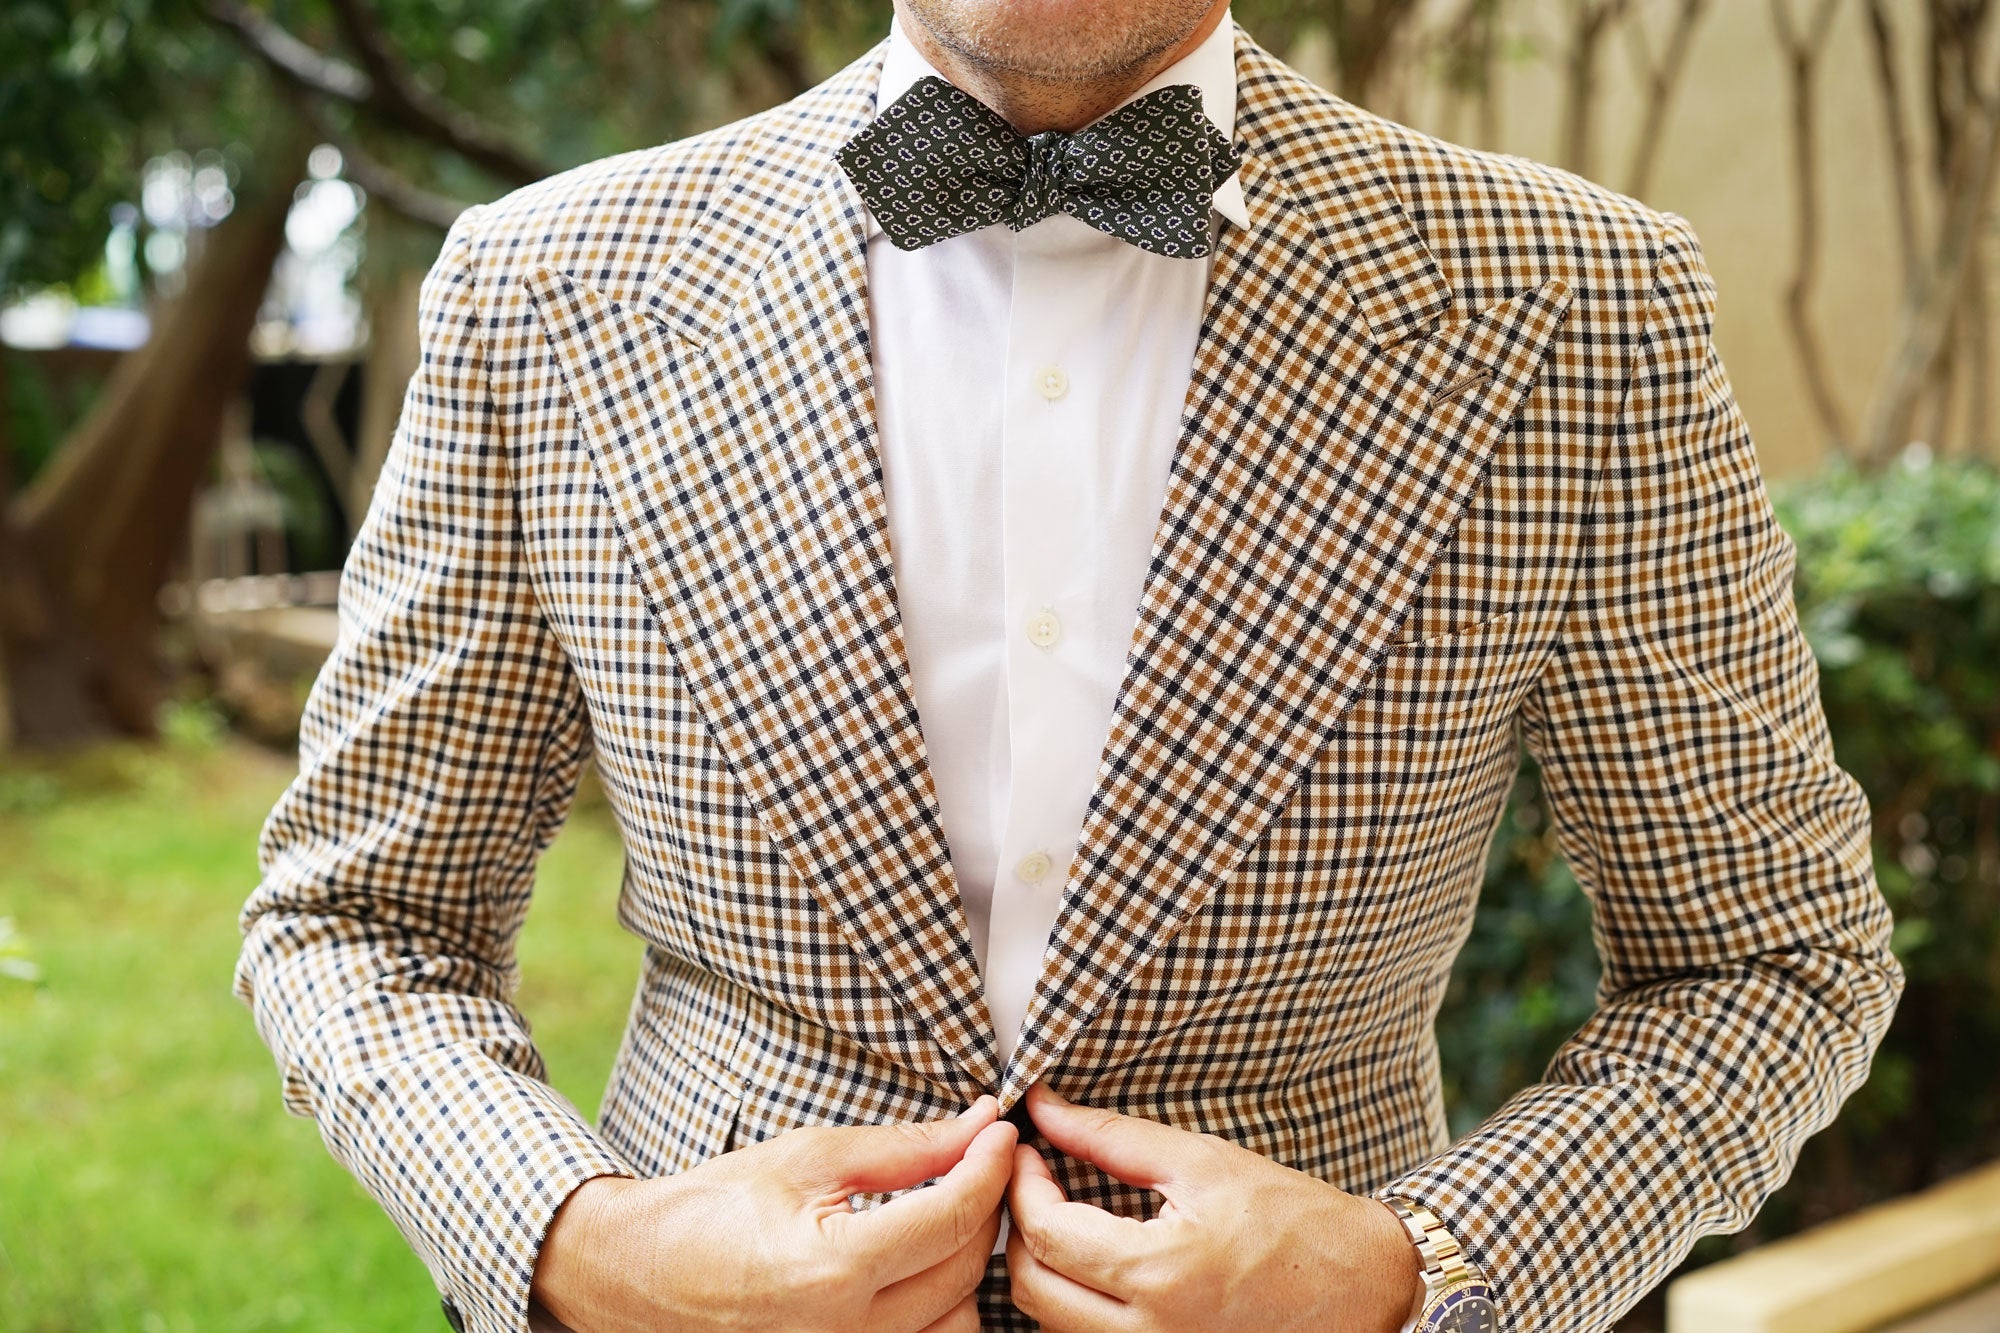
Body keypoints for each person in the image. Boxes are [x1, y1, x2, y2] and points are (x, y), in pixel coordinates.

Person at [231, 1, 1908, 1330]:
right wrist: (577, 1243)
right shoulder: (550, 290)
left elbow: (1770, 960)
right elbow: (361, 921)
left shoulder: (1576, 308)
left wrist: (1430, 1268)